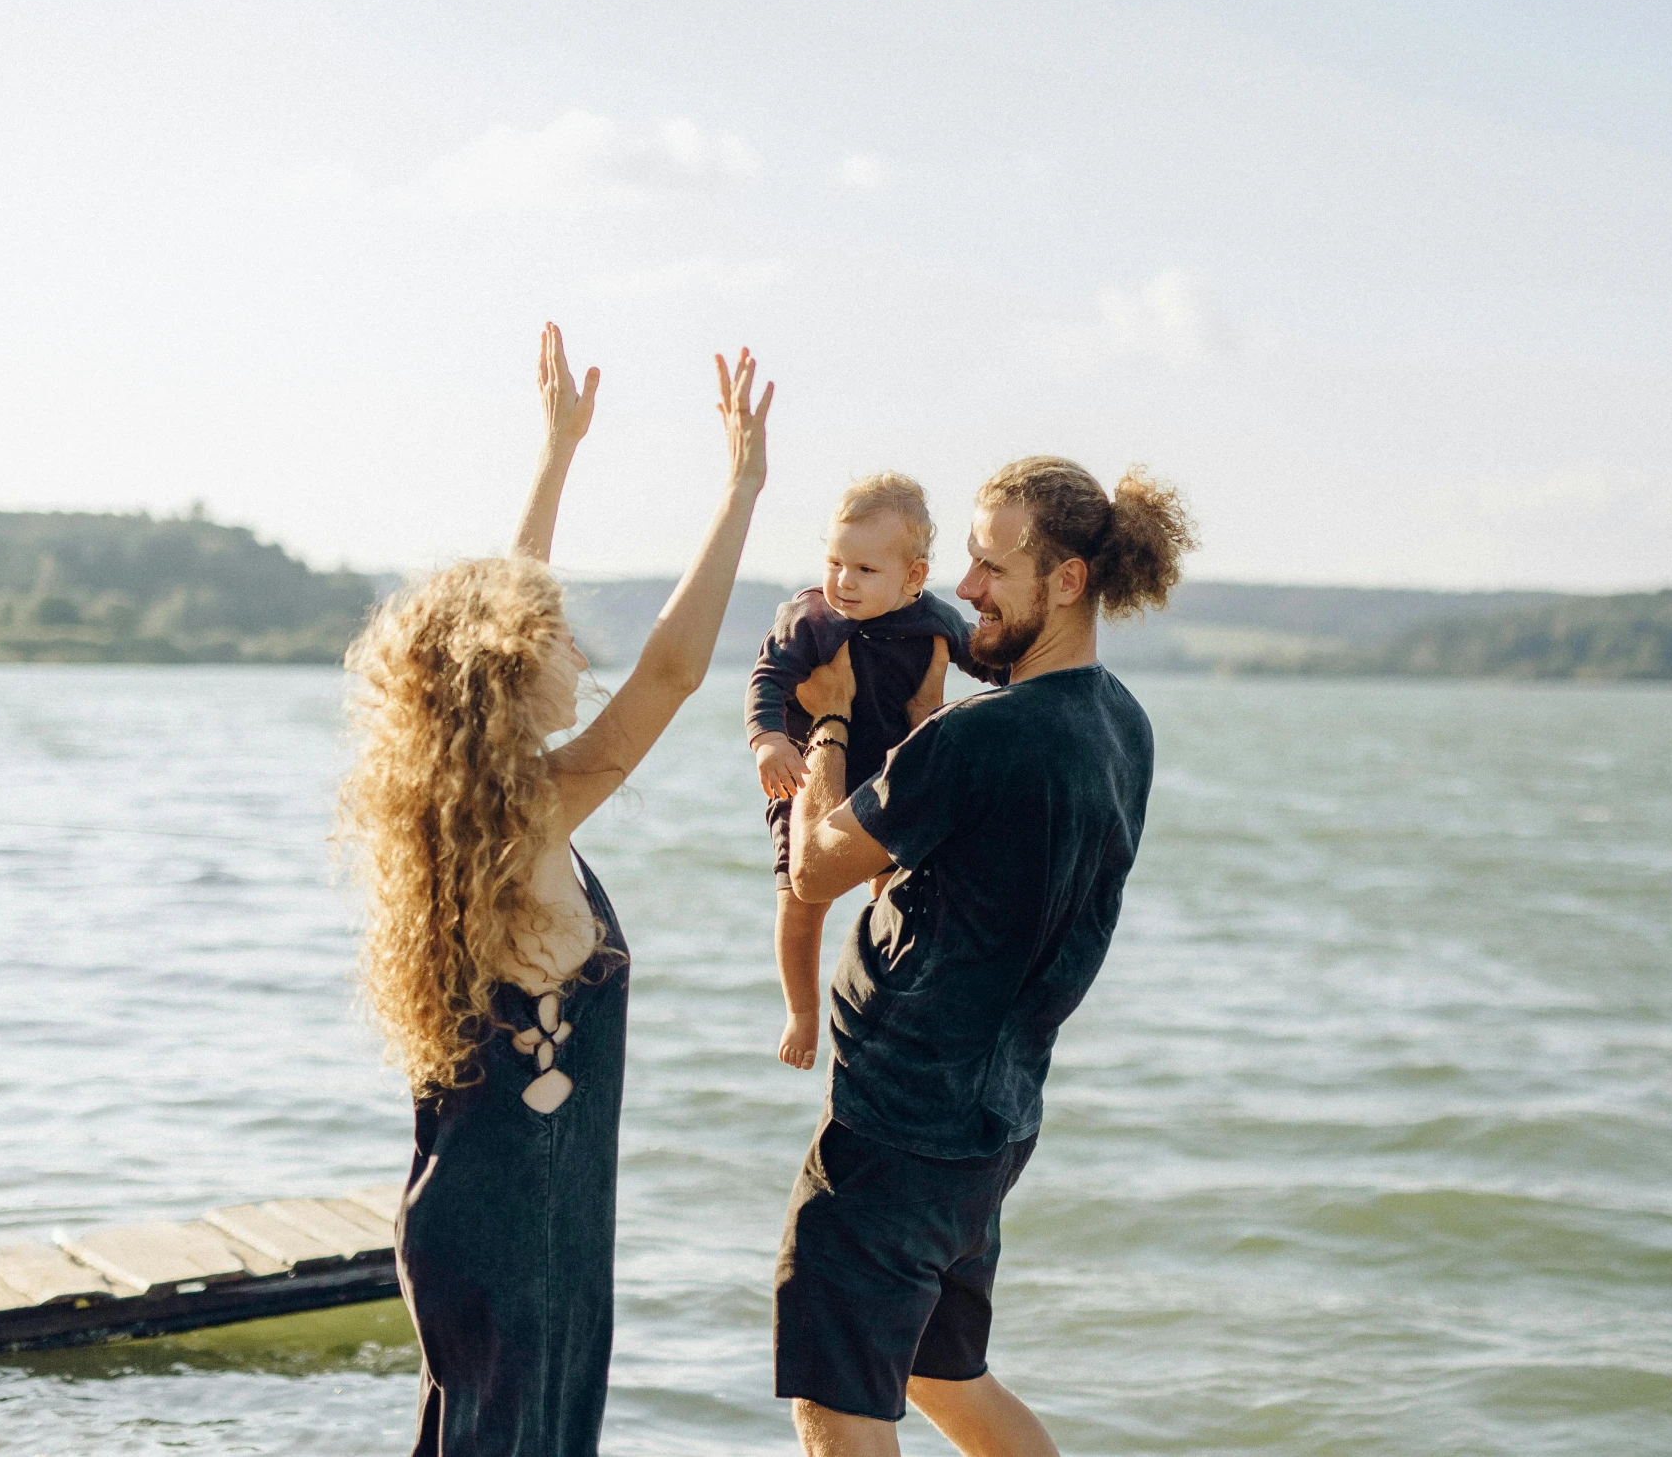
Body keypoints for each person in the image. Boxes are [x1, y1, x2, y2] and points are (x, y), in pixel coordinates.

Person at [340, 324, 772, 1457]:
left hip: (500, 1216)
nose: (579, 658)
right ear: (504, 672)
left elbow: (493, 616)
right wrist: (741, 492)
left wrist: (558, 453)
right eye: (557, 643)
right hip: (520, 1231)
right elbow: (673, 673)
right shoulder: (520, 820)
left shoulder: (467, 817)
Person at [776, 456, 1196, 1457]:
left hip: (898, 1128)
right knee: (940, 1374)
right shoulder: (1120, 724)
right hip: (989, 1122)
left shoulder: (978, 736)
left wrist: (830, 713)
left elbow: (814, 867)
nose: (961, 588)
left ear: (1065, 581)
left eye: (987, 565)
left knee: (837, 1405)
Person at [745, 473, 1000, 1069]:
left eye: (865, 569)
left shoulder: (934, 620)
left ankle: (884, 989)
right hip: (808, 776)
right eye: (836, 561)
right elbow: (767, 678)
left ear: (913, 577)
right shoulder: (810, 618)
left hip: (884, 778)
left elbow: (987, 666)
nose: (843, 581)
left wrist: (1023, 684)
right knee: (799, 898)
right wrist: (768, 741)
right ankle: (803, 1011)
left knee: (894, 887)